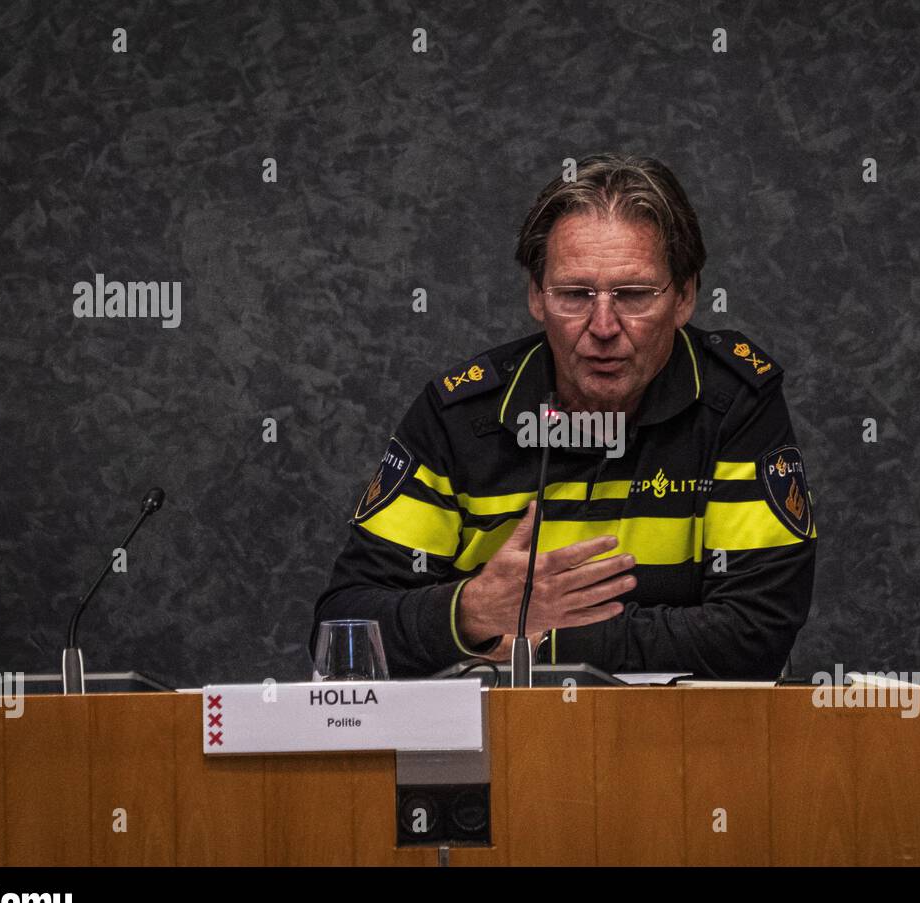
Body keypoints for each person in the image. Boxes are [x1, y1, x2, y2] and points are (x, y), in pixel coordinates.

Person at [311, 153, 816, 679]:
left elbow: (755, 635)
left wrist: (545, 643)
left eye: (634, 295)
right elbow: (342, 634)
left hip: (681, 750)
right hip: (496, 751)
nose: (602, 325)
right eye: (575, 294)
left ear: (685, 296)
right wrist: (471, 611)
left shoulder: (735, 402)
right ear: (536, 296)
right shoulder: (461, 415)